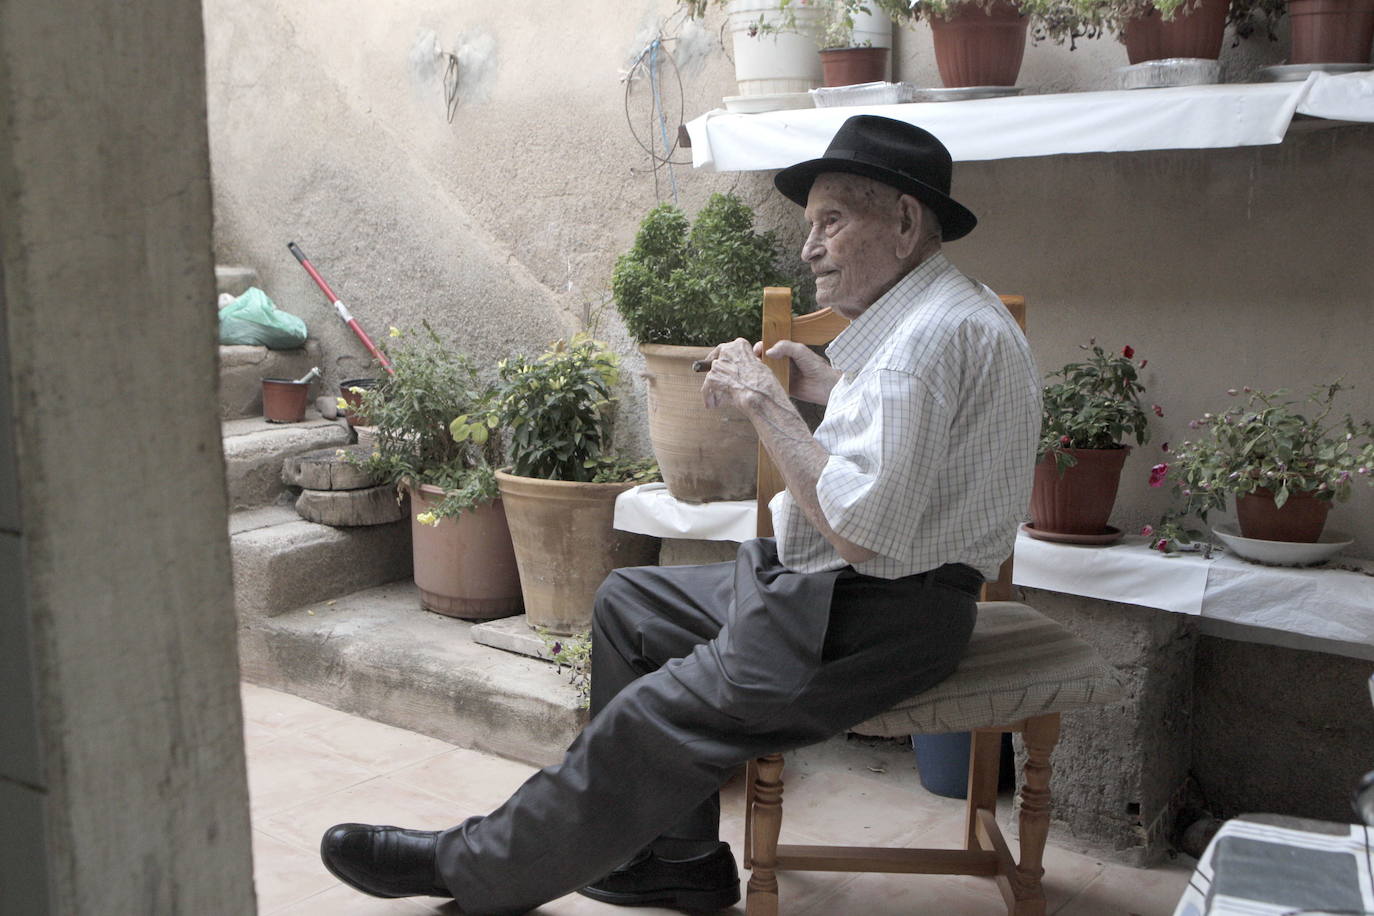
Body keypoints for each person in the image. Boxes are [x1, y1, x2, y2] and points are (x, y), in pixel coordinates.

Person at [319, 115, 1041, 916]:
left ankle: (471, 867)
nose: (809, 249)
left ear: (905, 223)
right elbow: (923, 447)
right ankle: (678, 859)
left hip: (870, 614)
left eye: (831, 221)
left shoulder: (919, 344)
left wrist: (767, 402)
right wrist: (824, 391)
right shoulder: (951, 313)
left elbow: (859, 530)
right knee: (631, 605)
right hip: (870, 595)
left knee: (650, 719)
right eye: (812, 226)